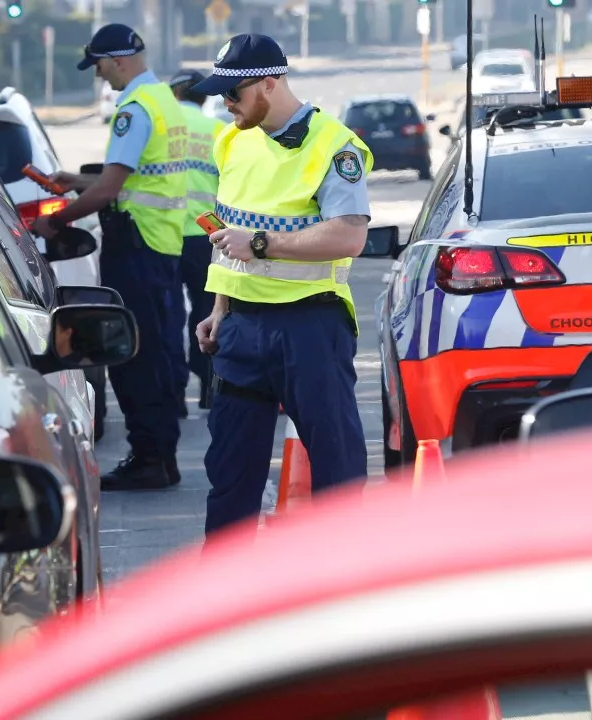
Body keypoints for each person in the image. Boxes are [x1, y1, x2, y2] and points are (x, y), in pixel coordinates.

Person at [190, 33, 374, 542]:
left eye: (235, 95)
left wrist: (264, 244)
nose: (227, 106)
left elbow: (349, 235)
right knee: (229, 474)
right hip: (241, 330)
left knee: (336, 466)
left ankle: (339, 584)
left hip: (309, 326)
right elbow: (228, 234)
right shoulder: (231, 139)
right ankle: (225, 598)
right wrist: (219, 308)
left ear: (269, 85)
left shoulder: (336, 146)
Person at [32, 23, 189, 492]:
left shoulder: (134, 109)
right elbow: (136, 179)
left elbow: (111, 188)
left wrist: (55, 221)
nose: (100, 76)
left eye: (100, 66)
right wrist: (71, 182)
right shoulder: (162, 100)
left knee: (133, 356)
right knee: (157, 352)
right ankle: (161, 454)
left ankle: (149, 458)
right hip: (160, 244)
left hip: (136, 245)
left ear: (118, 59)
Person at [167, 69, 226, 414]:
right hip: (208, 234)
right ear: (204, 97)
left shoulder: (165, 132)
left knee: (169, 315)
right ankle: (208, 387)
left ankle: (174, 397)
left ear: (173, 94)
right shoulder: (219, 132)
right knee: (208, 313)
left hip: (164, 234)